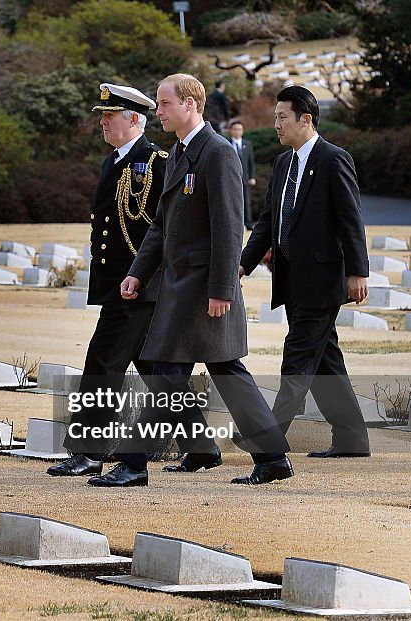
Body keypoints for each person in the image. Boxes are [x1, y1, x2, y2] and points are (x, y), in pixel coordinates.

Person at [99, 73, 292, 488]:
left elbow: (229, 225)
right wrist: (137, 273)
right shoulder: (180, 153)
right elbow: (161, 225)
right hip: (180, 285)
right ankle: (272, 456)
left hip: (204, 288)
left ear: (190, 104)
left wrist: (223, 288)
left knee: (170, 372)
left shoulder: (218, 153)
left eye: (165, 104)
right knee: (225, 370)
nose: (159, 111)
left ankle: (133, 463)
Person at [239, 85, 371, 458]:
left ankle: (266, 440)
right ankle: (352, 440)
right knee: (326, 359)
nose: (276, 124)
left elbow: (351, 220)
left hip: (323, 280)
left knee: (296, 358)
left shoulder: (333, 159)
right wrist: (244, 263)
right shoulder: (283, 163)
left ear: (306, 119)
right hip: (291, 280)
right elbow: (268, 220)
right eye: (275, 117)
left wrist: (357, 272)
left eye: (282, 117)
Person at [47, 83, 169, 478]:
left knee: (102, 362)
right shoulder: (115, 160)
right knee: (156, 370)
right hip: (121, 282)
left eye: (109, 116)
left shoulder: (155, 161)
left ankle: (89, 451)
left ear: (134, 119)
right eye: (102, 115)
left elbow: (162, 229)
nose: (102, 122)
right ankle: (202, 446)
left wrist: (141, 277)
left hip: (139, 285)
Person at [229, 120, 257, 229]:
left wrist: (252, 177)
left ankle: (248, 222)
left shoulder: (247, 144)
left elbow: (251, 162)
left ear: (243, 131)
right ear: (231, 130)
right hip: (230, 177)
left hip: (244, 177)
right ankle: (233, 223)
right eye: (235, 129)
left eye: (239, 129)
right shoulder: (226, 143)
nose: (237, 131)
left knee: (246, 200)